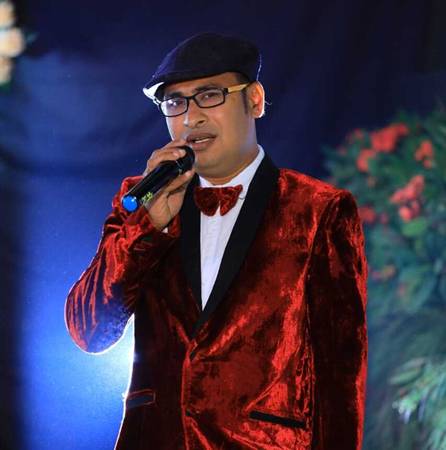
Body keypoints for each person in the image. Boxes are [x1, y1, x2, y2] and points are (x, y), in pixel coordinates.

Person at [65, 32, 367, 450]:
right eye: (175, 102)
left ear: (255, 100)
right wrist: (148, 229)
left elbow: (340, 376)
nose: (191, 118)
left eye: (209, 96)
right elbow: (89, 331)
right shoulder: (142, 198)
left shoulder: (318, 210)